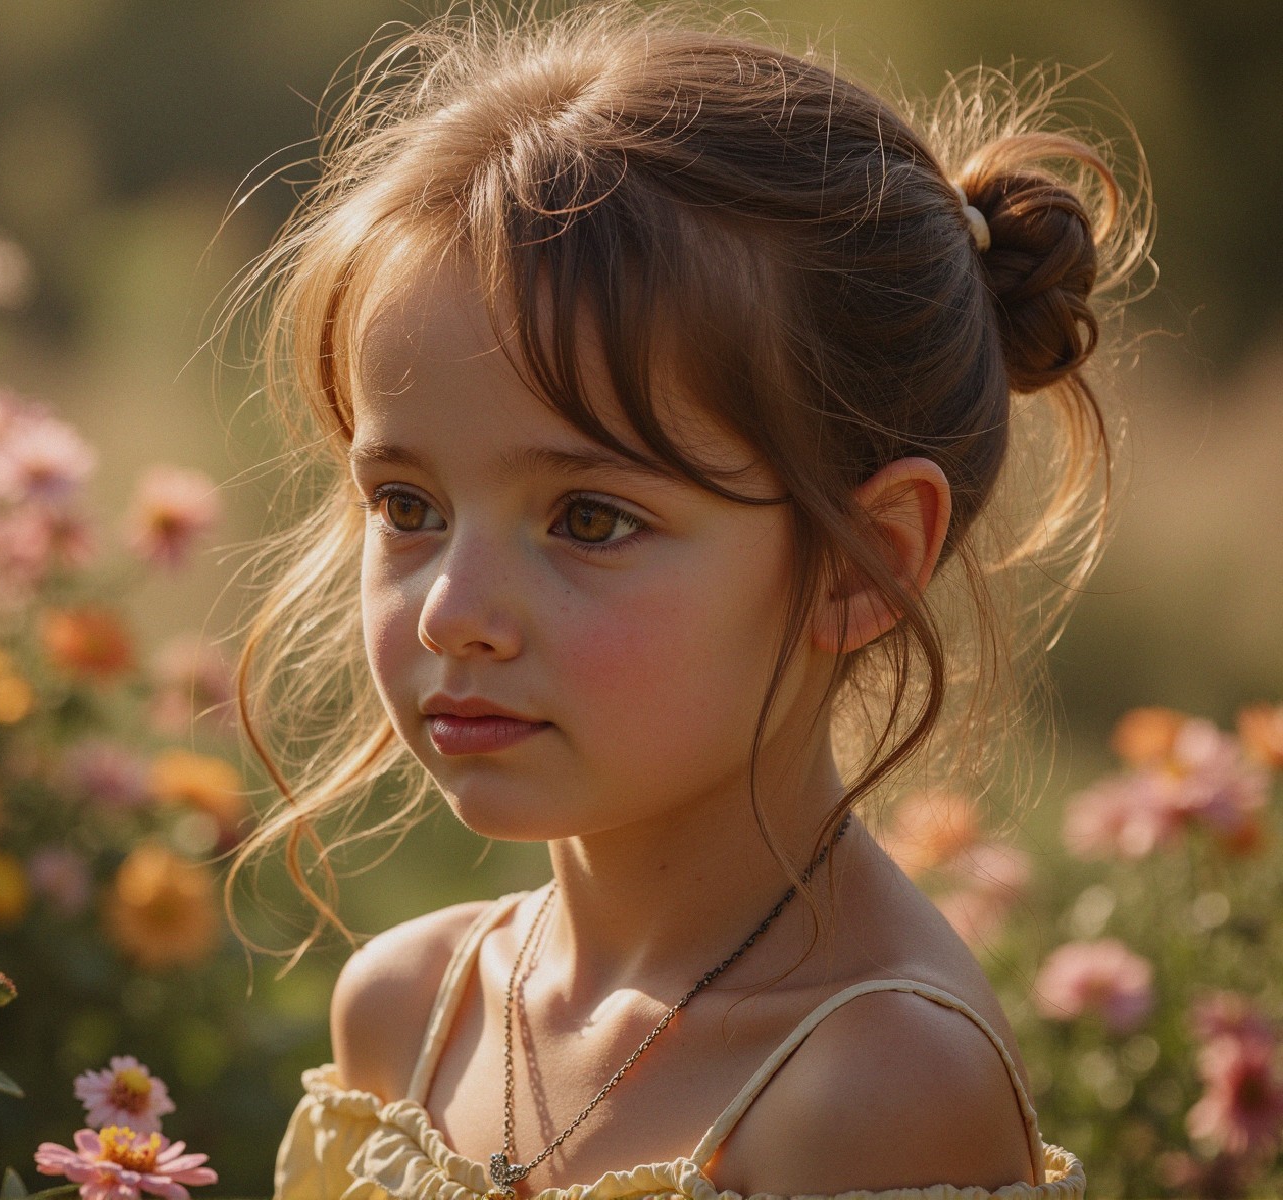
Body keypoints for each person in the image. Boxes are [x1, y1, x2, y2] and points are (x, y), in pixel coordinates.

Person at [227, 4, 1149, 1197]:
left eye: (589, 520)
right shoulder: (410, 1012)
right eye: (406, 506)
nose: (453, 610)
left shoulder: (872, 1082)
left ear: (859, 565)